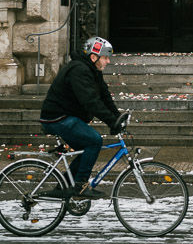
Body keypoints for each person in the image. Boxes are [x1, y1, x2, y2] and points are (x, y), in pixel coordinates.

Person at [40, 36, 128, 199]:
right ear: (94, 57)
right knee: (94, 141)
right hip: (57, 118)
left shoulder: (93, 70)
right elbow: (90, 101)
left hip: (66, 116)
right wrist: (110, 120)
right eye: (105, 57)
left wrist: (117, 117)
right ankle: (80, 186)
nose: (108, 61)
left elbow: (104, 96)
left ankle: (64, 186)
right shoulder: (79, 70)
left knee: (86, 148)